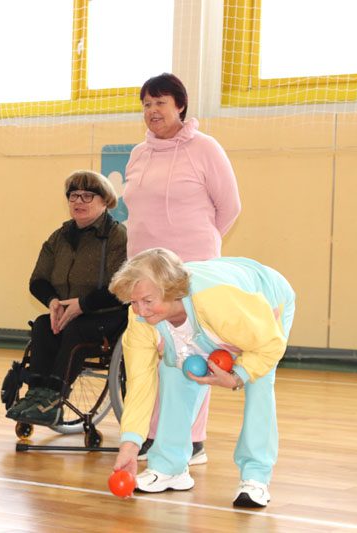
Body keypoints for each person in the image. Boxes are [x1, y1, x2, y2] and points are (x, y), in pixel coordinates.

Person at [109, 248, 295, 508]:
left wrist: (238, 376)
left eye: (147, 301)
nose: (141, 310)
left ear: (172, 290)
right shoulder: (140, 319)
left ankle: (256, 477)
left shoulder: (218, 301)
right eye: (134, 302)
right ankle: (170, 467)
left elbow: (270, 345)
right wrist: (130, 444)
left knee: (259, 380)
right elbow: (140, 383)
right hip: (214, 311)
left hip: (263, 302)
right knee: (173, 370)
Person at [123, 73, 242, 464]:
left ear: (180, 105)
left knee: (191, 352)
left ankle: (191, 440)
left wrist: (200, 250)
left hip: (190, 269)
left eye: (160, 102)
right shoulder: (139, 154)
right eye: (146, 104)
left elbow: (230, 208)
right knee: (149, 356)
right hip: (144, 271)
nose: (152, 110)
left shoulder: (205, 148)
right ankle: (150, 434)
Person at [5, 170, 128, 426]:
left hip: (106, 315)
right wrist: (53, 302)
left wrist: (82, 305)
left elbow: (121, 286)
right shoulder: (59, 236)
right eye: (73, 195)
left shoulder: (117, 236)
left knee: (75, 329)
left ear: (105, 200)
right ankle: (36, 394)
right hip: (66, 312)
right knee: (42, 325)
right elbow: (37, 280)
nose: (78, 201)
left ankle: (53, 397)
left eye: (87, 196)